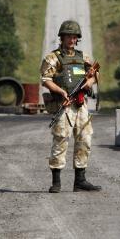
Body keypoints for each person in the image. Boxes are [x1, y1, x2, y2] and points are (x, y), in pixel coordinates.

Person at [40, 20, 101, 193]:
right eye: (68, 36)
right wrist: (61, 92)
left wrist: (89, 82)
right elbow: (46, 80)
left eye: (74, 37)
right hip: (64, 104)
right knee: (60, 139)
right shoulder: (53, 58)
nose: (72, 40)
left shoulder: (83, 57)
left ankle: (80, 181)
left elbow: (96, 73)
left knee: (85, 139)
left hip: (81, 105)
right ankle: (56, 182)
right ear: (62, 37)